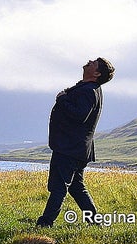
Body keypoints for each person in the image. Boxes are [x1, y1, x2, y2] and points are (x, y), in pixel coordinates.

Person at [36, 57, 115, 228]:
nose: (89, 61)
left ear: (97, 73)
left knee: (59, 186)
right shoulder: (90, 89)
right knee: (76, 187)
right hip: (76, 148)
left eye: (93, 63)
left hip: (69, 148)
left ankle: (46, 222)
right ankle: (94, 221)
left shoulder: (88, 91)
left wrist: (62, 99)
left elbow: (80, 115)